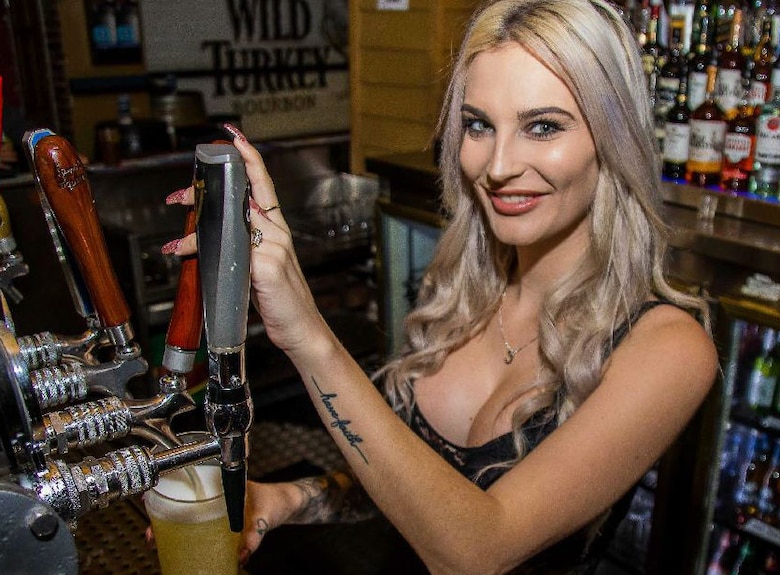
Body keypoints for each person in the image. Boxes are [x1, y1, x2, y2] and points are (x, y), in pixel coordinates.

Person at [162, 0, 718, 572]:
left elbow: (477, 551)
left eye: (543, 126)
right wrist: (283, 500)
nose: (498, 165)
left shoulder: (666, 349)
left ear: (613, 136)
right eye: (479, 125)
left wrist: (309, 335)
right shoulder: (465, 291)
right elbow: (417, 486)